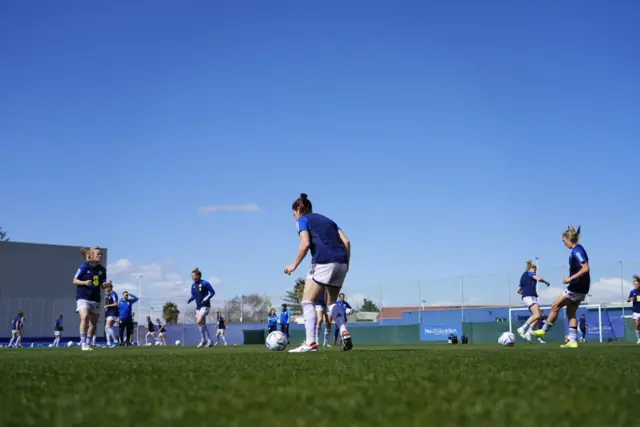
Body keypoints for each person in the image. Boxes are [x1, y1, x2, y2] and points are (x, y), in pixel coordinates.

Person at [284, 193, 353, 353]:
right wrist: (346, 264)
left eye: (294, 213)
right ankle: (343, 330)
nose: (294, 217)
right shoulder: (329, 220)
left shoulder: (303, 220)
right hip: (341, 262)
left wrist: (294, 265)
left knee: (307, 302)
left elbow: (305, 243)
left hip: (323, 261)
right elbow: (347, 241)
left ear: (298, 210)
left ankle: (310, 343)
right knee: (332, 303)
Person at [532, 226, 590, 348]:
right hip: (583, 287)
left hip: (576, 287)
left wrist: (570, 278)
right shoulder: (578, 249)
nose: (564, 244)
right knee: (571, 313)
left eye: (564, 241)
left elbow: (585, 268)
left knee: (555, 306)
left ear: (569, 239)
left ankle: (543, 331)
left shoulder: (576, 251)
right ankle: (573, 341)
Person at [73, 247, 107, 351]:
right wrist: (84, 282)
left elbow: (102, 284)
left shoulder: (102, 269)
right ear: (91, 255)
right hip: (83, 297)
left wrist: (105, 285)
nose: (100, 256)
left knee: (94, 324)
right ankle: (83, 344)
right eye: (98, 254)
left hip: (95, 298)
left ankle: (88, 343)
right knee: (85, 317)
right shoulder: (84, 266)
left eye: (101, 254)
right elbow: (74, 280)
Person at [516, 260, 550, 342]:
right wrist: (545, 282)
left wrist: (524, 294)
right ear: (531, 268)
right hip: (529, 296)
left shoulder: (523, 276)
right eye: (535, 269)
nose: (535, 271)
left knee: (538, 316)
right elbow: (538, 278)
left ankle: (529, 331)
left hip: (530, 296)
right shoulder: (529, 273)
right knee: (537, 315)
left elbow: (518, 290)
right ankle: (522, 328)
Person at [187, 267, 215, 348]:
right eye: (192, 276)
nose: (193, 277)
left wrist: (205, 299)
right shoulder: (193, 286)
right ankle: (208, 341)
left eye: (194, 276)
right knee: (202, 324)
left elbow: (212, 292)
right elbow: (193, 295)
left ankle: (204, 340)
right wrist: (190, 299)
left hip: (205, 306)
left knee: (198, 321)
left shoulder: (205, 283)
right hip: (198, 307)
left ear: (199, 276)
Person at [104, 282, 119, 347]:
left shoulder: (113, 294)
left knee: (108, 327)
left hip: (113, 312)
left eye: (106, 288)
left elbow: (116, 304)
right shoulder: (110, 294)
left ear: (109, 287)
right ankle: (108, 343)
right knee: (106, 328)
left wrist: (107, 305)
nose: (105, 289)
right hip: (110, 312)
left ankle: (115, 341)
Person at [627, 275, 640, 344]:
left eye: (638, 284)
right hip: (636, 311)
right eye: (635, 284)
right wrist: (630, 299)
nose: (636, 285)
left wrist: (638, 278)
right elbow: (628, 300)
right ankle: (639, 339)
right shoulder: (632, 292)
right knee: (637, 325)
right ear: (633, 285)